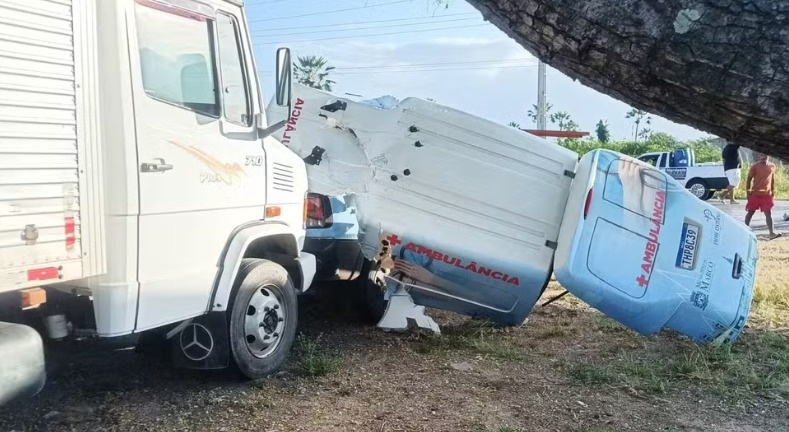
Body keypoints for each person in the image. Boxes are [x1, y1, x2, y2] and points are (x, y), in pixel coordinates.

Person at [745, 152, 782, 239]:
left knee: (768, 213)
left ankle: (771, 233)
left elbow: (772, 180)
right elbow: (748, 180)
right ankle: (744, 230)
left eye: (765, 155)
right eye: (761, 155)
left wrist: (772, 191)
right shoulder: (755, 166)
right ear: (759, 156)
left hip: (766, 195)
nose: (763, 157)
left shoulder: (772, 166)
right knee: (750, 212)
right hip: (755, 194)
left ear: (768, 156)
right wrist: (748, 193)